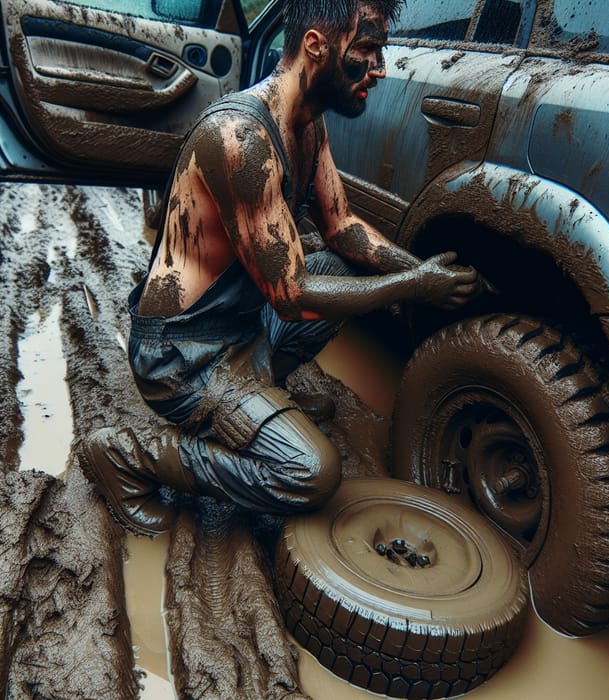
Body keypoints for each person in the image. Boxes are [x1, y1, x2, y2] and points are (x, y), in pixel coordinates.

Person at [77, 0, 485, 537]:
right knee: (311, 473)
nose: (380, 69)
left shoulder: (307, 124)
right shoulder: (241, 138)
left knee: (343, 262)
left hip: (242, 327)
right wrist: (411, 286)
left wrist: (426, 273)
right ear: (316, 46)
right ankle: (130, 456)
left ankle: (262, 393)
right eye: (367, 51)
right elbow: (291, 295)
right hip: (186, 356)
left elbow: (342, 227)